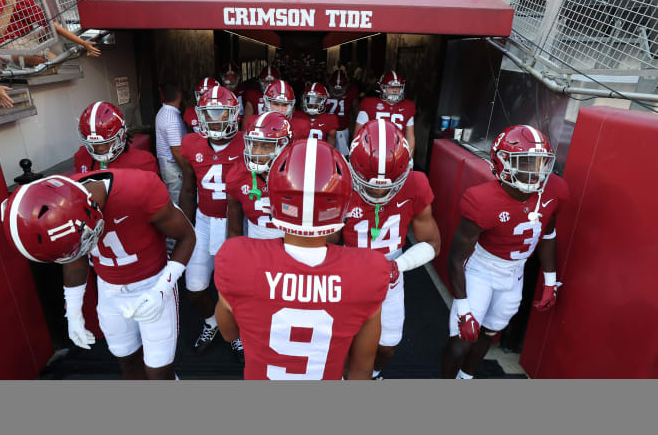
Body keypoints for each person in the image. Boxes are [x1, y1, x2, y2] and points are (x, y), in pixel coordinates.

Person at [214, 138, 395, 380]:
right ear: (341, 204)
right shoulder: (370, 270)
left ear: (276, 199)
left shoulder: (236, 257)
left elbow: (228, 333)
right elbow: (361, 369)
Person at [1, 170, 196, 380]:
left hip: (152, 282)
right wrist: (73, 312)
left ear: (88, 213)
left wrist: (162, 289)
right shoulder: (65, 203)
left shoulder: (138, 189)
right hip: (109, 289)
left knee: (158, 371)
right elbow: (75, 259)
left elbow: (186, 236)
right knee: (127, 361)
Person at [441, 125, 568, 379]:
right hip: (481, 270)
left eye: (540, 162)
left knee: (489, 333)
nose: (536, 171)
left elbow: (548, 235)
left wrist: (550, 280)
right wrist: (464, 308)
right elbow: (456, 257)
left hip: (515, 274)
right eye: (527, 162)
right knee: (461, 342)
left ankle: (465, 378)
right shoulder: (482, 200)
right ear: (502, 163)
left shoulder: (555, 190)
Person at [341, 119, 441, 379]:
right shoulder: (339, 181)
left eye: (387, 184)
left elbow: (433, 243)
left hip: (392, 271)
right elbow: (326, 243)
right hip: (348, 269)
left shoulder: (416, 184)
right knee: (342, 343)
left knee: (387, 348)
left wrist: (399, 265)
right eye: (370, 182)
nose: (377, 190)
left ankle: (372, 374)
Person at [178, 85, 245, 361]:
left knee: (235, 287)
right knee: (194, 287)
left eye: (221, 112)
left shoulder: (248, 142)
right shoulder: (191, 144)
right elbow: (188, 187)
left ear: (234, 114)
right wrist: (184, 227)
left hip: (238, 220)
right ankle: (211, 322)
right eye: (209, 113)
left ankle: (237, 333)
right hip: (205, 221)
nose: (215, 119)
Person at [0, 0, 101, 68]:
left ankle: (76, 51)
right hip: (8, 42)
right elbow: (55, 27)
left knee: (49, 33)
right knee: (52, 59)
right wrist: (83, 43)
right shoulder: (21, 1)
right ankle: (5, 57)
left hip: (17, 36)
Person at [226, 111, 292, 240]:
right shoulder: (238, 176)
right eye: (254, 145)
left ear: (283, 146)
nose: (256, 152)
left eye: (265, 146)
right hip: (255, 248)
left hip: (291, 248)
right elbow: (234, 231)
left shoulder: (298, 175)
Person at [74, 101, 158, 174]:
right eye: (93, 143)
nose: (100, 148)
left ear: (121, 134)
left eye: (106, 143)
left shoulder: (143, 162)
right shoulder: (81, 156)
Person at [355, 71, 416, 157]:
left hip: (398, 152)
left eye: (398, 87)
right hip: (372, 151)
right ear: (382, 88)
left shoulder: (408, 106)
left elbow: (410, 137)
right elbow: (358, 134)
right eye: (391, 87)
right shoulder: (369, 104)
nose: (395, 90)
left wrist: (409, 159)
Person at [155, 81, 187, 206]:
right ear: (179, 95)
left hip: (168, 165)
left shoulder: (163, 112)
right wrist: (188, 171)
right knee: (177, 202)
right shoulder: (171, 118)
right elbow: (176, 152)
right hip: (174, 168)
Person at [291, 82, 337, 147]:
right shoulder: (296, 116)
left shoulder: (330, 119)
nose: (312, 103)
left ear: (324, 101)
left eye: (317, 100)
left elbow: (331, 146)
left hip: (321, 154)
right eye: (308, 99)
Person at [325, 69, 359, 156]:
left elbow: (357, 112)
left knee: (341, 157)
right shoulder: (324, 91)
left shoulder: (351, 91)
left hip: (341, 129)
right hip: (327, 128)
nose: (337, 92)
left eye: (340, 89)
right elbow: (356, 112)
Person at [241, 64, 279, 129]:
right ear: (260, 81)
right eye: (266, 81)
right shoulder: (253, 95)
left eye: (272, 81)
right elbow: (245, 125)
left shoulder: (284, 95)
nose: (269, 84)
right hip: (258, 133)